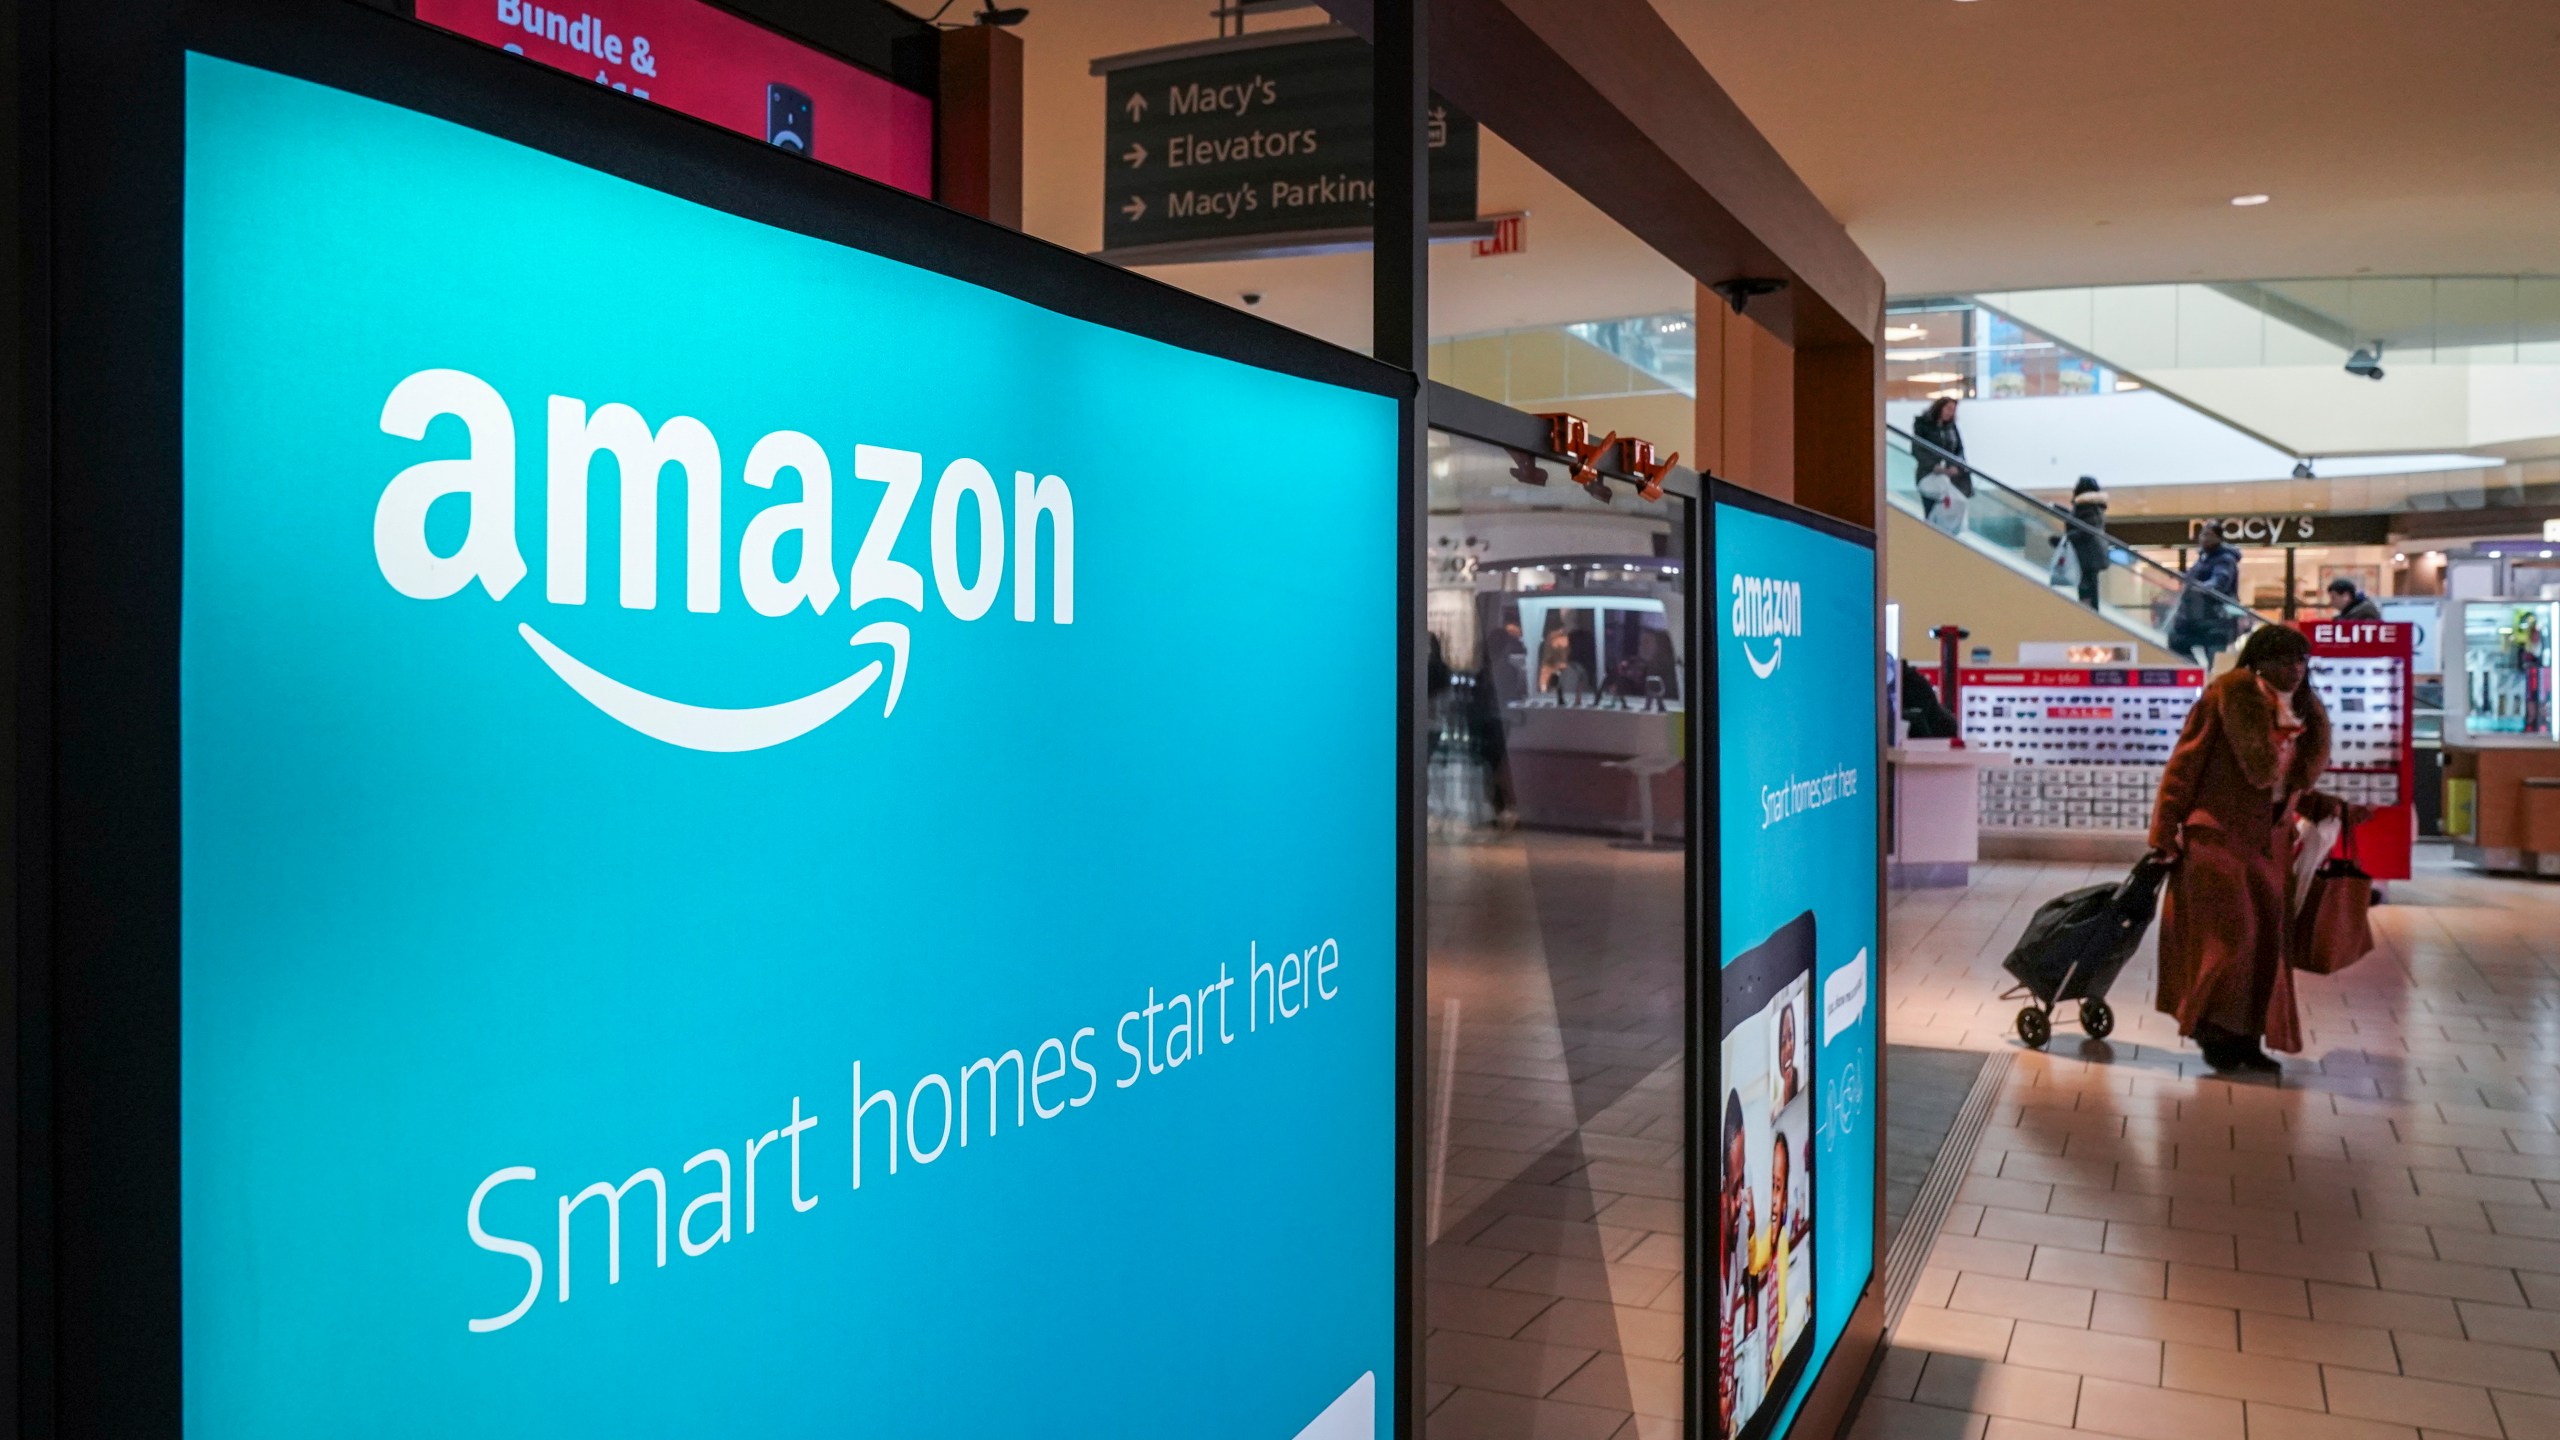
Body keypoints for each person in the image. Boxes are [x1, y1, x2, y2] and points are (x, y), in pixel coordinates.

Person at [2149, 625, 2363, 1073]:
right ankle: (2215, 1035)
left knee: (2266, 946)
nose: (2295, 670)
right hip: (2218, 839)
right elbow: (2183, 768)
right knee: (2230, 941)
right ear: (2258, 662)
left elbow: (2287, 787)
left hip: (2272, 844)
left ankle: (2247, 1039)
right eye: (2285, 661)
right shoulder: (2225, 699)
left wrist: (2333, 806)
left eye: (2302, 662)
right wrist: (2164, 833)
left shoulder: (2304, 711)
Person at [2165, 522, 2244, 667]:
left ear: (2219, 538)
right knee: (2176, 641)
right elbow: (2192, 578)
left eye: (2208, 534)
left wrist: (2201, 587)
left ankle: (2208, 680)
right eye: (2202, 534)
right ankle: (2198, 672)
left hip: (2215, 619)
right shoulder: (2203, 558)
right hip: (2195, 617)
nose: (2203, 538)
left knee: (2214, 659)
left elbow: (2220, 581)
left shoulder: (2225, 559)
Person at [1912, 397, 1972, 537]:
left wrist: (1955, 467)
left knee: (1959, 501)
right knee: (1942, 498)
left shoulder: (1951, 428)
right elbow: (1918, 449)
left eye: (1953, 410)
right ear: (1940, 407)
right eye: (1948, 409)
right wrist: (1935, 466)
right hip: (1929, 474)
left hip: (1949, 477)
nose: (1950, 413)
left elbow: (1959, 450)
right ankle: (1933, 529)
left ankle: (1948, 533)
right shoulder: (1923, 425)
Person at [2066, 476, 2110, 610]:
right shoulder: (2096, 506)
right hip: (2092, 553)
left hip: (2086, 554)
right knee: (2091, 588)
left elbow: (2086, 530)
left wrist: (2065, 538)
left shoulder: (2085, 506)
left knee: (2086, 589)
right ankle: (2091, 614)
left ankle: (2088, 616)